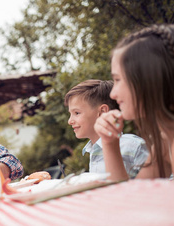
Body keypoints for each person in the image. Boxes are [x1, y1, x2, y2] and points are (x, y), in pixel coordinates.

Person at [94, 24, 174, 181]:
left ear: (149, 80)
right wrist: (109, 142)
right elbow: (129, 196)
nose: (113, 93)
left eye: (117, 79)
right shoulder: (165, 141)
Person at [65, 79, 148, 178]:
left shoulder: (133, 146)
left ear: (103, 111)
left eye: (77, 113)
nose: (70, 121)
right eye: (70, 114)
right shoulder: (92, 150)